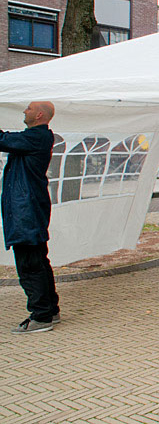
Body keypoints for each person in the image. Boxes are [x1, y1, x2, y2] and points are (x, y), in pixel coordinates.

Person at [1, 101, 60, 334]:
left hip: (26, 212)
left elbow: (3, 140)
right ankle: (50, 310)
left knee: (29, 264)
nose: (23, 111)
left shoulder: (36, 137)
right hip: (29, 208)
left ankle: (41, 316)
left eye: (27, 109)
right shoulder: (36, 137)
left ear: (38, 114)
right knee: (38, 261)